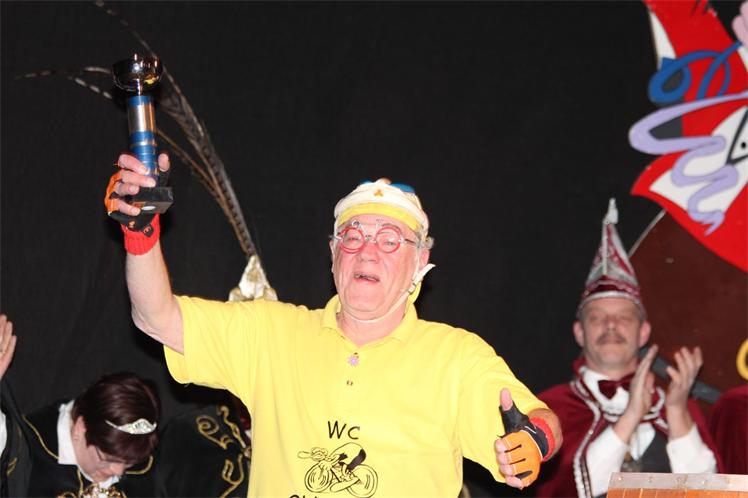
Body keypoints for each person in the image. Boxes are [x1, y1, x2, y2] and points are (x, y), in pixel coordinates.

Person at [105, 153, 563, 497]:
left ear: (420, 262)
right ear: (333, 252)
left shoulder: (456, 358)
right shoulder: (272, 334)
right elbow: (156, 317)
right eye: (353, 236)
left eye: (390, 240)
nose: (367, 251)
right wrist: (140, 234)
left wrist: (532, 440)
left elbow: (542, 422)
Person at [533, 199, 721, 498]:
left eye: (623, 317)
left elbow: (710, 491)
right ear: (579, 333)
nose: (611, 325)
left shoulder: (676, 405)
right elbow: (566, 490)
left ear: (643, 332)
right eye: (597, 318)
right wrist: (631, 415)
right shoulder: (550, 409)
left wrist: (676, 411)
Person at [0, 316, 160, 497]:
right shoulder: (27, 449)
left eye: (129, 462)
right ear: (81, 427)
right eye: (108, 459)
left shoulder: (148, 464)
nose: (118, 471)